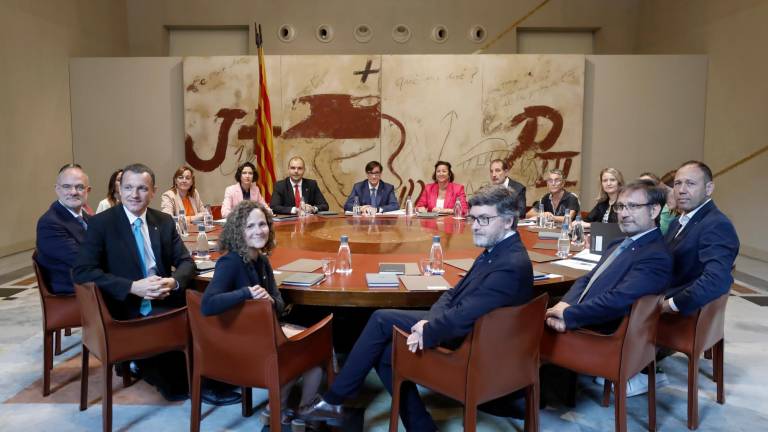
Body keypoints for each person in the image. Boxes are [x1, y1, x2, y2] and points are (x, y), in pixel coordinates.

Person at [300, 185, 534, 430]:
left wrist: (429, 329)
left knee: (382, 330)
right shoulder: (498, 251)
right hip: (467, 332)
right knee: (382, 328)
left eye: (484, 219)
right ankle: (412, 423)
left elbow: (463, 317)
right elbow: (454, 293)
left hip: (472, 352)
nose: (475, 226)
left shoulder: (510, 264)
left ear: (508, 221)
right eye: (473, 218)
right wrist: (428, 321)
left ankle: (336, 401)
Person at [73, 163, 239, 405]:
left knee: (213, 307)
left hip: (164, 295)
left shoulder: (162, 221)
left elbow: (185, 262)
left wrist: (173, 282)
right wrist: (132, 286)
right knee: (176, 375)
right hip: (126, 305)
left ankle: (215, 373)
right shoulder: (102, 224)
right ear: (119, 189)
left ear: (153, 192)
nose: (134, 194)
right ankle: (199, 384)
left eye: (142, 188)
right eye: (128, 187)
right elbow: (82, 272)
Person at [201, 200, 323, 423]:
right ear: (238, 231)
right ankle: (292, 409)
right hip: (245, 342)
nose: (259, 230)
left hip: (263, 333)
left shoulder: (262, 261)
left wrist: (268, 300)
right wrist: (246, 293)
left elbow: (278, 303)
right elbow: (207, 304)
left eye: (263, 224)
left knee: (316, 353)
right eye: (250, 226)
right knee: (311, 353)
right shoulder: (230, 262)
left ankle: (289, 409)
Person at [545, 181, 672, 334]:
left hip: (599, 330)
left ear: (654, 211)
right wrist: (565, 303)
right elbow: (588, 279)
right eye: (620, 207)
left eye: (633, 206)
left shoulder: (656, 256)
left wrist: (568, 315)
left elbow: (618, 301)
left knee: (529, 309)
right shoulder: (618, 243)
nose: (624, 214)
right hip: (583, 309)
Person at [662, 161, 739, 316]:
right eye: (677, 183)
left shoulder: (717, 225)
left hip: (676, 315)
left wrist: (669, 305)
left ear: (709, 188)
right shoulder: (677, 222)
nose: (681, 190)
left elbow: (715, 280)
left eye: (690, 184)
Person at [36, 164, 92, 294]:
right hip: (75, 292)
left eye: (79, 187)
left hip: (92, 284)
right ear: (57, 189)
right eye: (67, 186)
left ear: (88, 191)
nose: (73, 192)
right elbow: (82, 261)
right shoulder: (49, 223)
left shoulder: (89, 219)